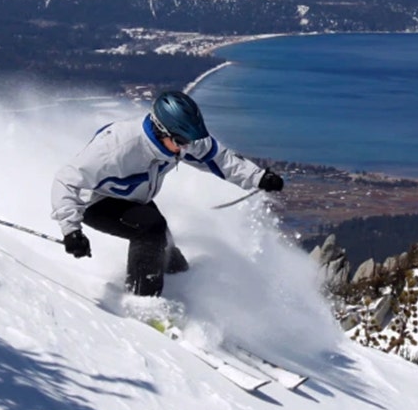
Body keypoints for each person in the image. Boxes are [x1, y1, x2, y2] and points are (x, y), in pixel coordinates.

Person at [51, 90, 283, 297]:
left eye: (191, 141)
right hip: (96, 201)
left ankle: (177, 281)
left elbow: (218, 158)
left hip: (132, 199)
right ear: (160, 129)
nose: (187, 147)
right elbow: (66, 180)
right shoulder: (116, 147)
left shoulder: (180, 141)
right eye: (181, 141)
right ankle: (143, 302)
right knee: (150, 229)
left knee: (166, 249)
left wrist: (258, 177)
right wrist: (72, 231)